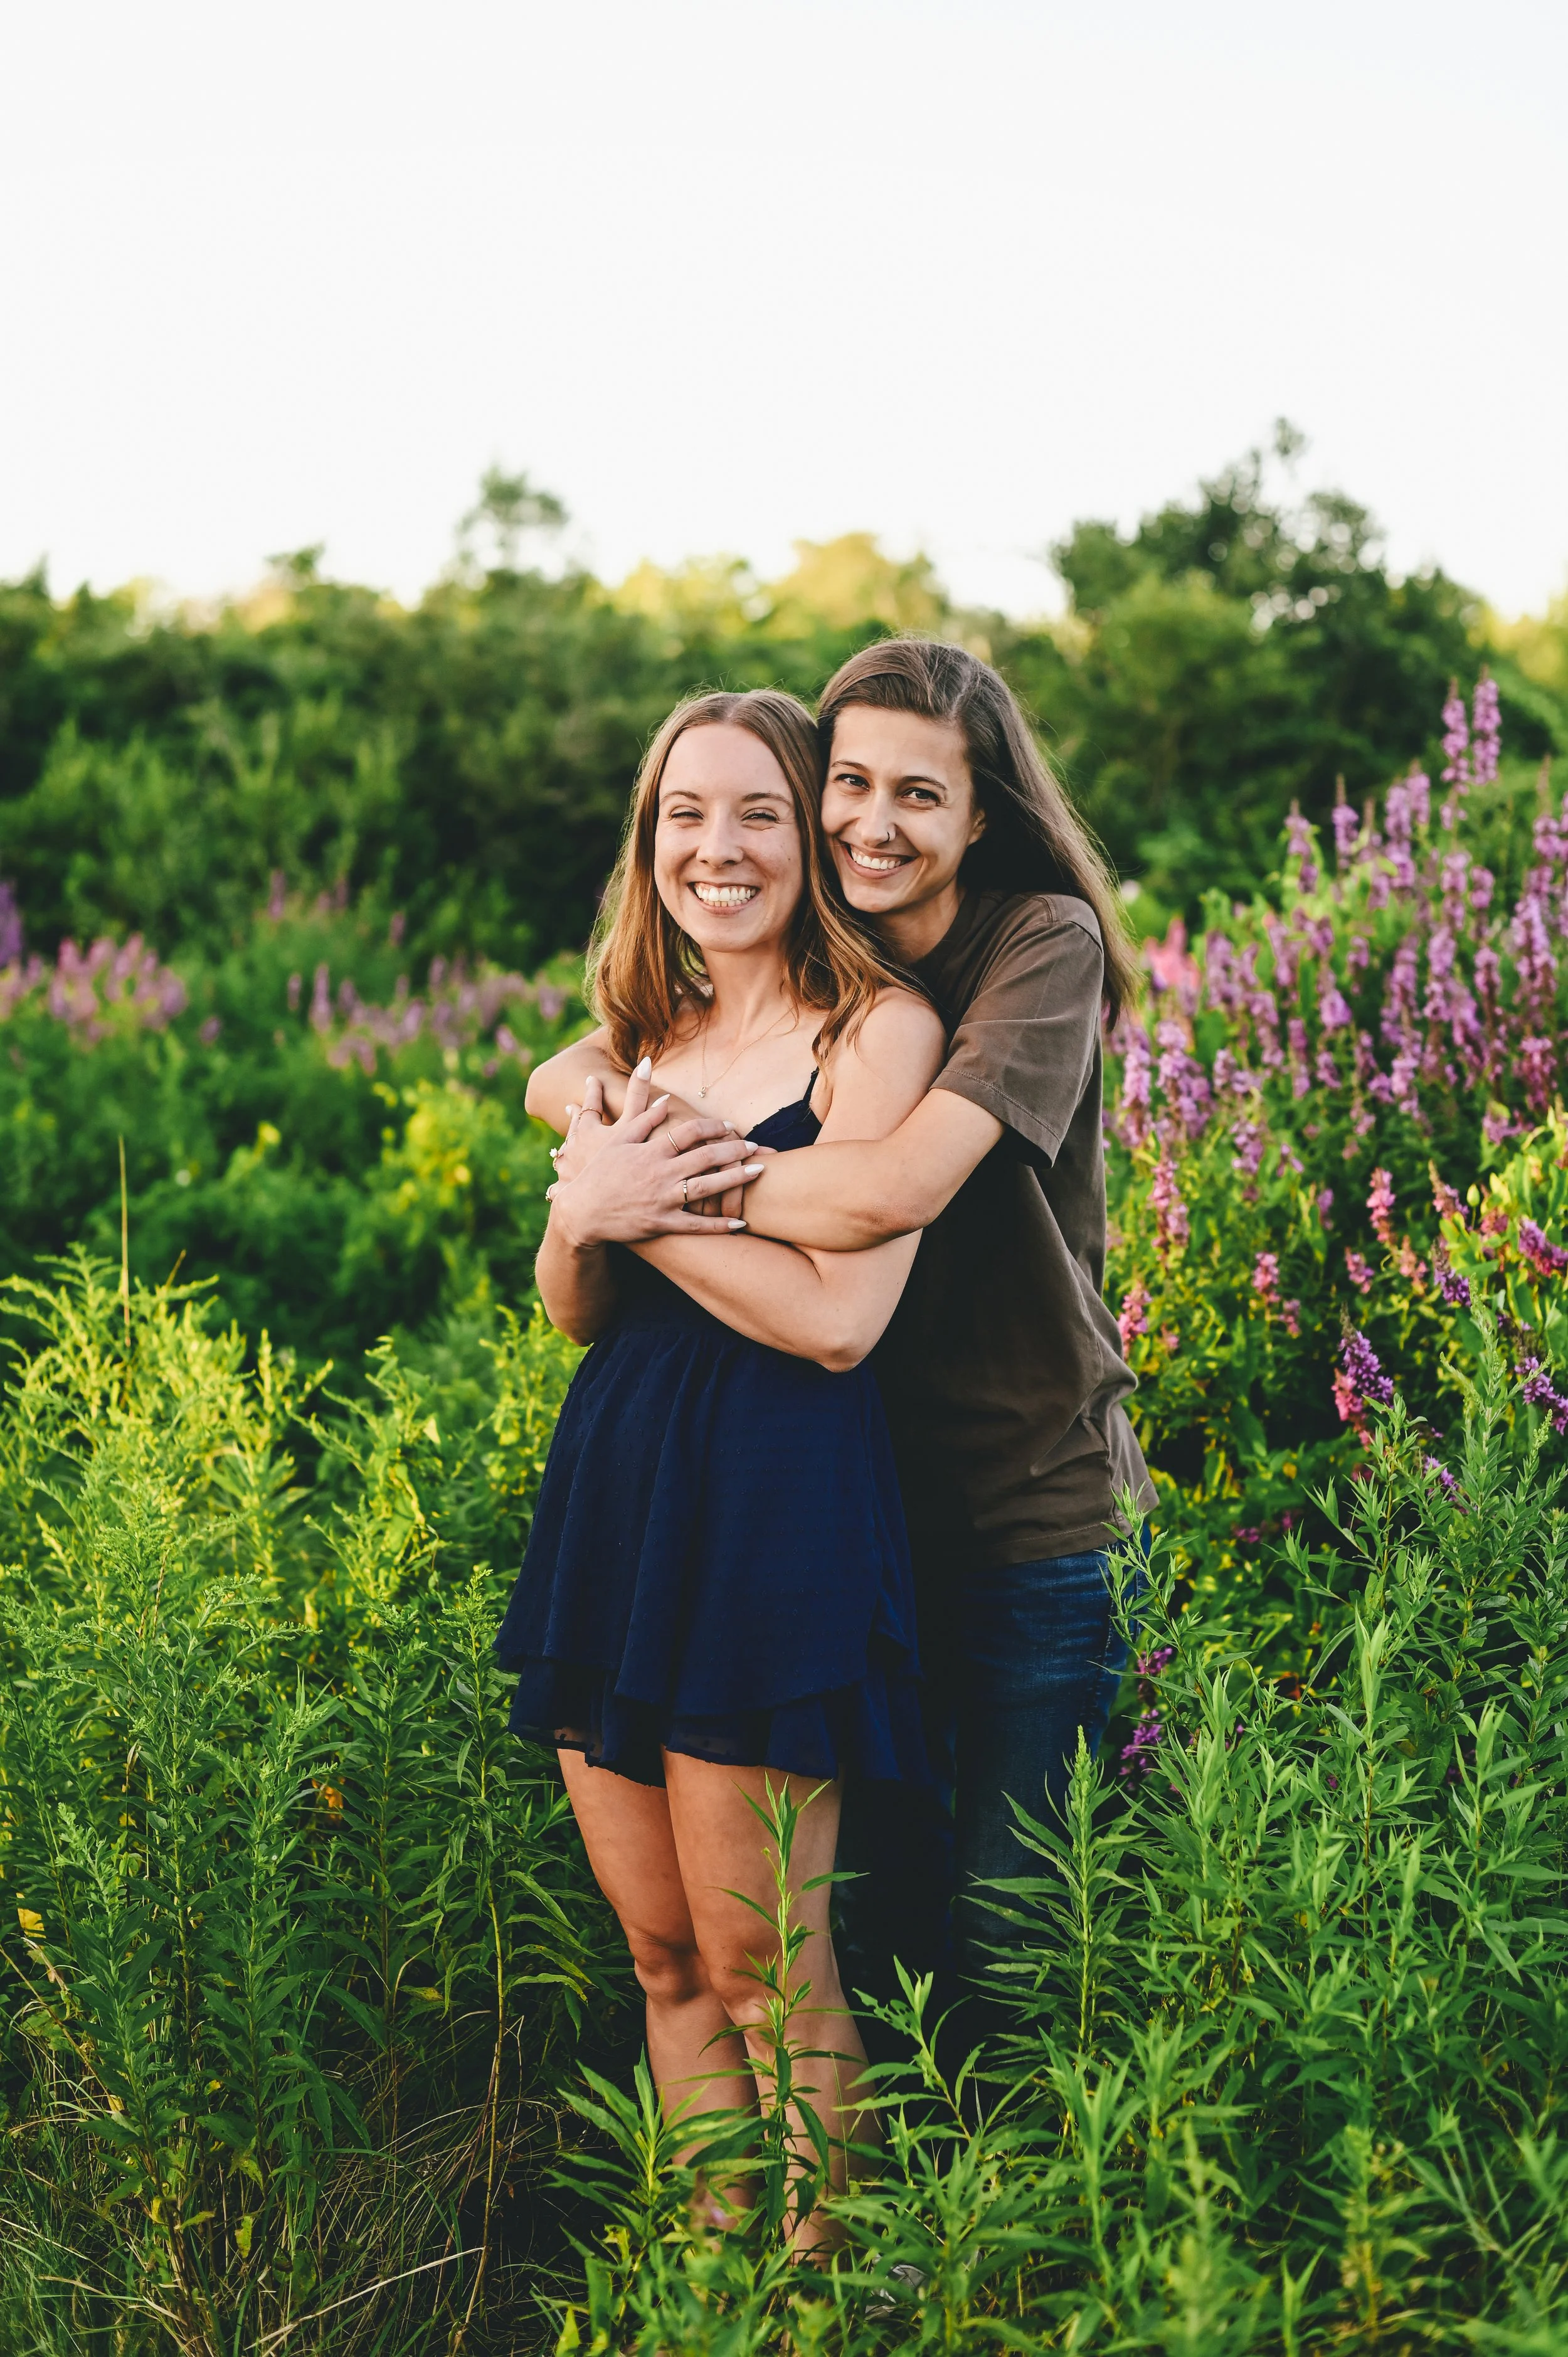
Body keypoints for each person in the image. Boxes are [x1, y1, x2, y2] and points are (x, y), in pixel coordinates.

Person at [544, 641, 1155, 1998]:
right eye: (849, 786)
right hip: (846, 1515)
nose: (874, 824)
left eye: (920, 796)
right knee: (860, 1948)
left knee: (1005, 1947)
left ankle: (1034, 2208)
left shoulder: (1028, 944)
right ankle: (872, 2216)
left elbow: (885, 1191)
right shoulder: (817, 944)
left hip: (1017, 1511)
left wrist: (649, 1177)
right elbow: (613, 1035)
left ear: (980, 812)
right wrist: (583, 1095)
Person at [498, 686, 945, 2238]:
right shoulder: (634, 1039)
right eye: (685, 814)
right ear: (649, 841)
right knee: (664, 1958)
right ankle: (713, 2281)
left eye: (759, 811)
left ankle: (826, 2298)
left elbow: (837, 1326)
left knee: (769, 1969)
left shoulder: (876, 1034)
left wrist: (641, 1200)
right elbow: (572, 1310)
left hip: (771, 1513)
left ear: (810, 836)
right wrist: (582, 1210)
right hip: (618, 1502)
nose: (719, 847)